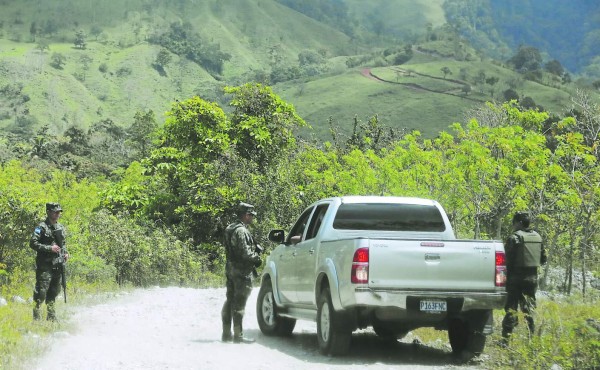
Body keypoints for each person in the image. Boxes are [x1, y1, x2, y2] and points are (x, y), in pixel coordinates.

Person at [501, 211, 546, 343]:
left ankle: (505, 340)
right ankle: (531, 339)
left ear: (519, 223)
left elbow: (506, 260)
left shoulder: (514, 238)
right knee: (529, 310)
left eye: (514, 223)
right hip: (531, 279)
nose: (513, 226)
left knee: (511, 310)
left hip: (515, 279)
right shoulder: (537, 237)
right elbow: (543, 259)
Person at [221, 202, 262, 343]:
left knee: (230, 300)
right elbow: (245, 253)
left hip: (231, 269)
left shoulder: (230, 228)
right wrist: (257, 259)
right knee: (239, 303)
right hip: (241, 272)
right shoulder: (241, 231)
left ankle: (226, 334)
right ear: (246, 215)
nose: (252, 218)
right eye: (251, 215)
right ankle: (238, 336)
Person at [30, 202, 69, 321]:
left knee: (54, 291)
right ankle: (36, 318)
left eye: (59, 212)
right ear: (48, 212)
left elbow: (63, 244)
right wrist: (49, 248)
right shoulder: (41, 227)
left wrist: (66, 253)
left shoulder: (60, 227)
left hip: (57, 264)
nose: (57, 214)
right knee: (41, 291)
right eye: (55, 212)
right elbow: (33, 243)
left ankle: (51, 317)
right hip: (45, 265)